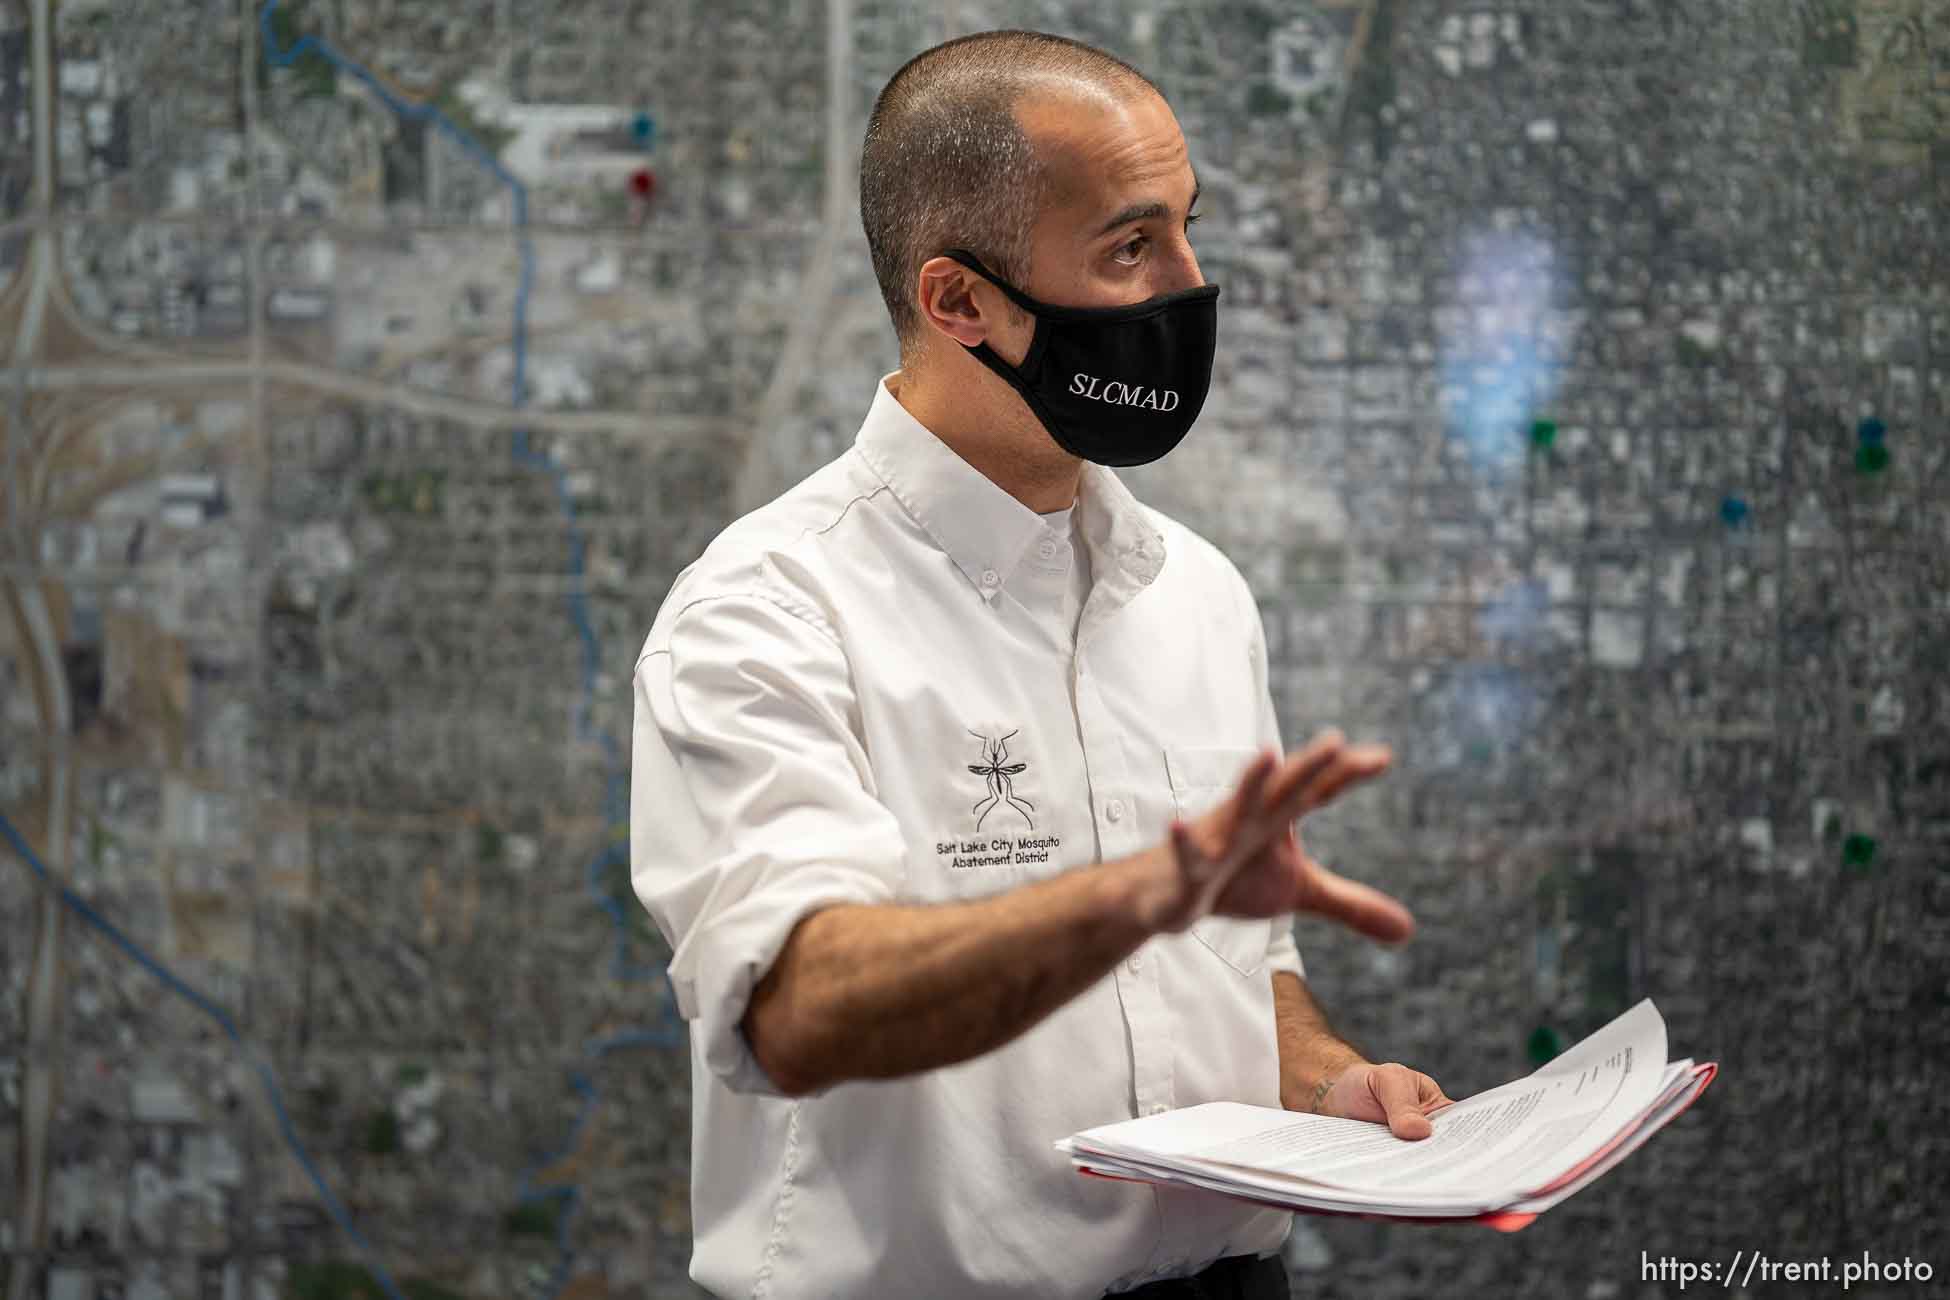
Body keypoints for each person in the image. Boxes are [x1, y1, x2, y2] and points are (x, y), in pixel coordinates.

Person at [629, 29, 1454, 1300]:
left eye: (1190, 228)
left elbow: (1244, 965)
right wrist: (1128, 895)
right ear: (959, 301)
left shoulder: (1196, 593)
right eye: (1133, 247)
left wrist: (1323, 1073)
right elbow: (799, 1008)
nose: (1192, 287)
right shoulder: (763, 613)